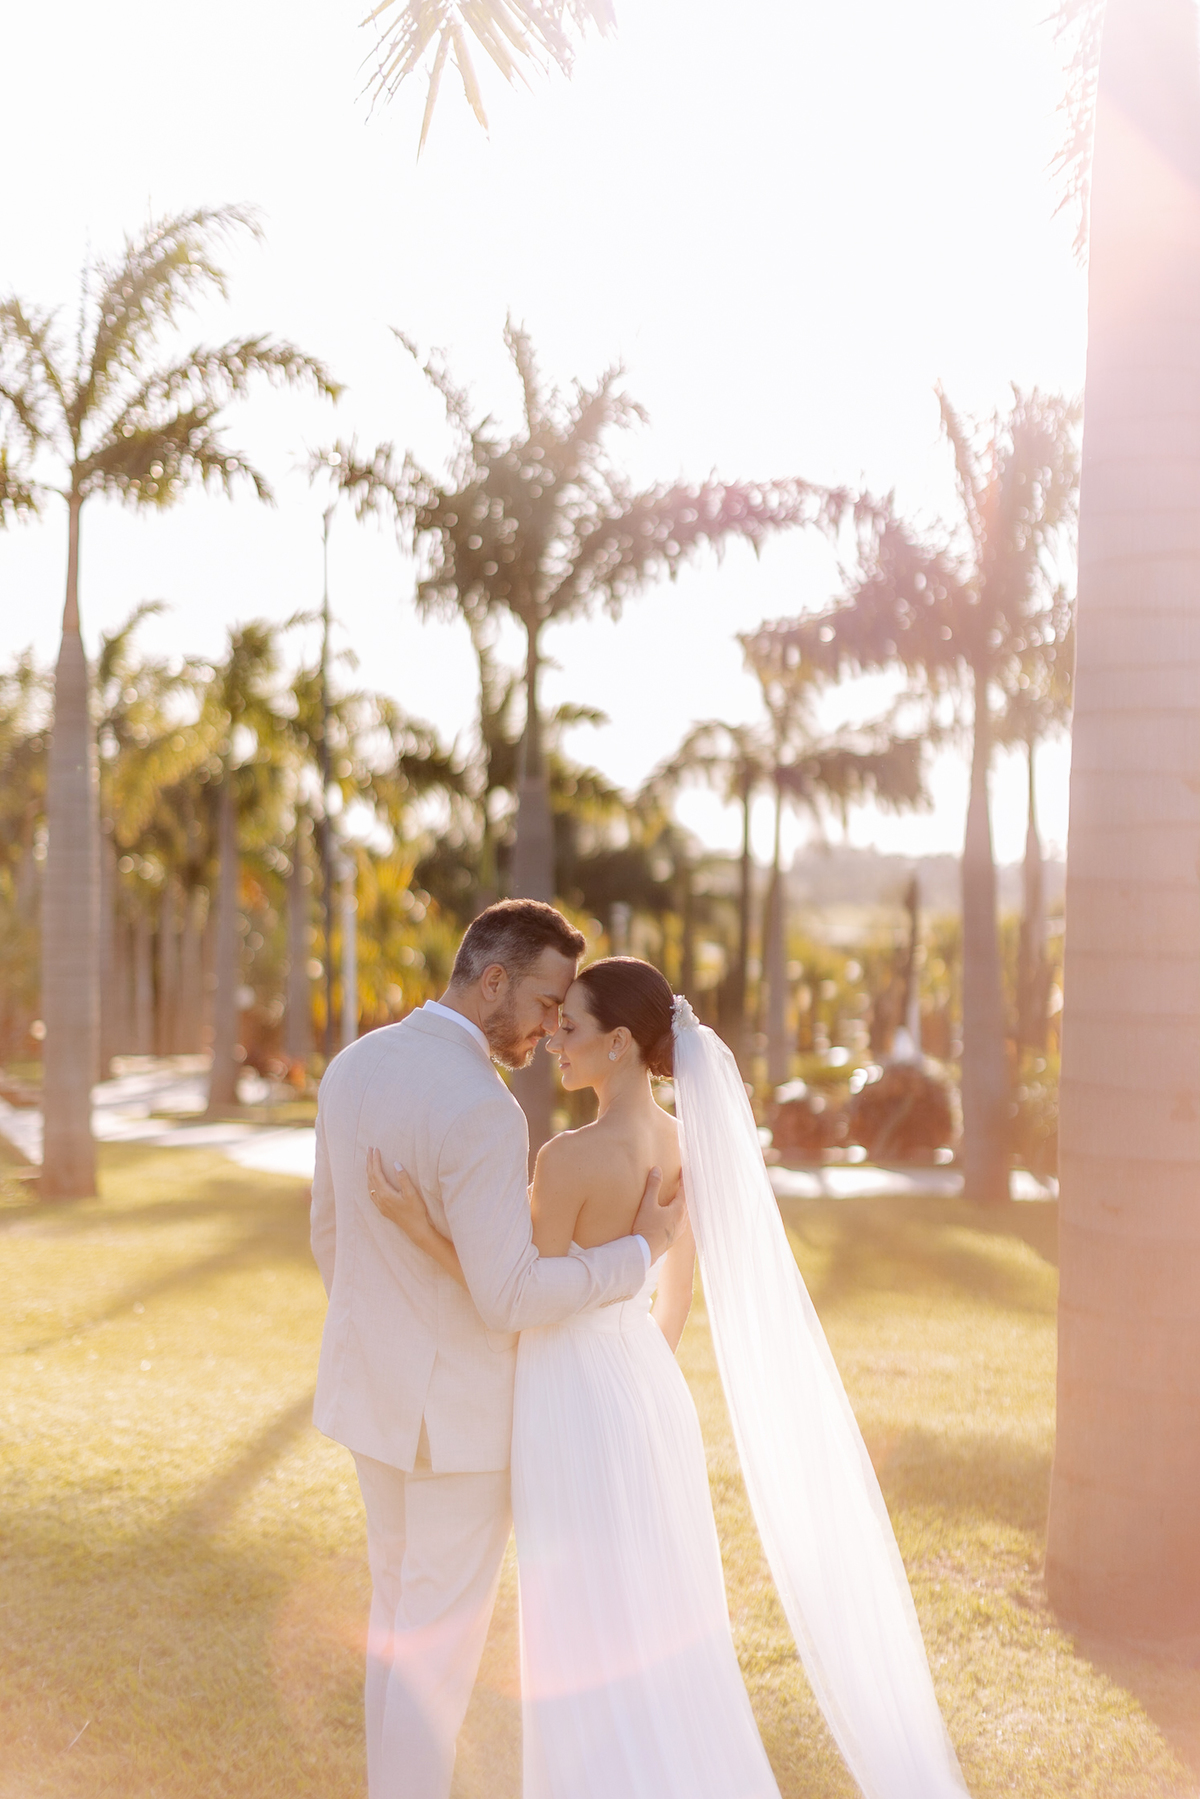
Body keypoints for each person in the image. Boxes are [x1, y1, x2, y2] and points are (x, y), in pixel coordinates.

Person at [372, 958, 971, 1799]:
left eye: (569, 1028)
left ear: (619, 1043)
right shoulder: (686, 1145)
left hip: (568, 1400)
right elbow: (675, 1302)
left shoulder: (567, 1158)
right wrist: (628, 1367)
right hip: (649, 1391)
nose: (551, 1041)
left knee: (581, 1627)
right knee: (660, 1615)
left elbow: (510, 1296)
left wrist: (418, 1223)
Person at [310, 905, 685, 1799]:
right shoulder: (483, 1107)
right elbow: (511, 1293)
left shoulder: (351, 1066)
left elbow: (331, 1236)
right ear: (493, 981)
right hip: (459, 1426)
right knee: (430, 1663)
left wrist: (391, 1344)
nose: (550, 1027)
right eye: (548, 1001)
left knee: (397, 1628)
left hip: (371, 1400)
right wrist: (635, 1255)